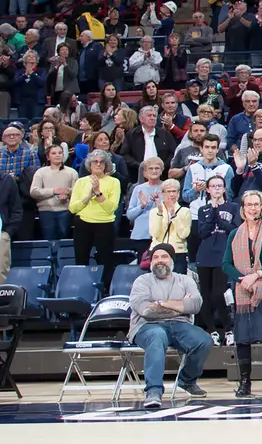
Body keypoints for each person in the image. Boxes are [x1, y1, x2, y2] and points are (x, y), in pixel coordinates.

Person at [126, 244, 211, 408]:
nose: (159, 261)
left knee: (204, 340)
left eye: (164, 257)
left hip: (180, 326)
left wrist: (161, 304)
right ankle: (153, 392)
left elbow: (195, 305)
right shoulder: (142, 281)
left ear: (171, 260)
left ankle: (186, 380)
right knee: (157, 336)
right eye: (155, 258)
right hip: (146, 327)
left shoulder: (185, 280)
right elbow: (146, 311)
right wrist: (180, 307)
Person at [223, 189, 262, 398]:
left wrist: (257, 275)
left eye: (256, 204)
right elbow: (226, 264)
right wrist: (243, 279)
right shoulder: (235, 234)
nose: (253, 208)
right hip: (242, 289)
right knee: (243, 338)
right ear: (243, 209)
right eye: (249, 204)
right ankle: (245, 382)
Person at [188, 174, 237, 340]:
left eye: (219, 186)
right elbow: (203, 232)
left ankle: (229, 329)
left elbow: (233, 229)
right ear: (208, 190)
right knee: (206, 295)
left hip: (223, 253)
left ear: (224, 188)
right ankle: (211, 330)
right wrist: (213, 212)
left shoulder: (233, 207)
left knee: (219, 293)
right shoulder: (203, 210)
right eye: (213, 186)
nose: (216, 189)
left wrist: (217, 213)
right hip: (205, 253)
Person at [68, 150, 121, 292]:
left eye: (101, 162)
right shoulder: (81, 182)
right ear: (89, 165)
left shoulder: (114, 182)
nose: (98, 164)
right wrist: (87, 197)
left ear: (106, 165)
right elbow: (73, 208)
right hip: (82, 224)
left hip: (105, 225)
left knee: (105, 261)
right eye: (95, 162)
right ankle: (82, 290)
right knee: (81, 260)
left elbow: (111, 208)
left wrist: (98, 193)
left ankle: (105, 291)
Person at [29, 142, 76, 242]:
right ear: (48, 157)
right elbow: (34, 191)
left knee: (64, 239)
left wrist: (67, 192)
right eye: (54, 153)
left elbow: (77, 191)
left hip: (65, 210)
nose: (58, 155)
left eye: (60, 153)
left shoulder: (72, 172)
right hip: (46, 211)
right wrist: (54, 191)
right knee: (49, 239)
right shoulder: (41, 172)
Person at [148, 179, 192, 272]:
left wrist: (174, 216)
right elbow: (154, 233)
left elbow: (184, 235)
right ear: (162, 193)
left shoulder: (185, 211)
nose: (171, 194)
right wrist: (160, 213)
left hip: (178, 253)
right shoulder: (154, 212)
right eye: (168, 191)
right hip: (158, 252)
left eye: (174, 191)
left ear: (178, 193)